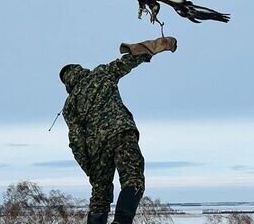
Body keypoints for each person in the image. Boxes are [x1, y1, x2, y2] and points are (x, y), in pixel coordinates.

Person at [59, 37, 177, 224]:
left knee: (100, 192)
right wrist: (157, 46)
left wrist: (90, 168)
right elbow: (128, 61)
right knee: (133, 178)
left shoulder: (69, 106)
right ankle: (122, 221)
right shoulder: (101, 73)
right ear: (79, 70)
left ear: (66, 83)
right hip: (121, 132)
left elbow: (76, 141)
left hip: (96, 148)